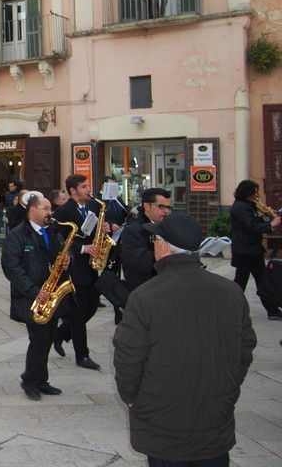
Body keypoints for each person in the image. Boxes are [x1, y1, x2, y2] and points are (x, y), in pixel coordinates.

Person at [113, 213, 256, 466]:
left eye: (155, 238)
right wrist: (227, 389)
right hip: (215, 417)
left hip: (163, 421)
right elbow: (245, 350)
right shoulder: (231, 292)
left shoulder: (144, 296)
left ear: (164, 246)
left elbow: (128, 358)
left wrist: (132, 398)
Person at [1, 193, 67, 400]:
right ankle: (30, 380)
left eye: (50, 209)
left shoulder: (54, 232)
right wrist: (34, 291)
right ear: (32, 210)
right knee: (39, 338)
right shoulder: (17, 234)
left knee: (47, 337)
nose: (50, 212)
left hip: (52, 294)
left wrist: (69, 260)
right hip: (32, 296)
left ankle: (41, 379)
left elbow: (66, 251)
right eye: (45, 209)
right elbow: (11, 267)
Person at [52, 175, 103, 370]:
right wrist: (83, 249)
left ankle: (61, 334)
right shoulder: (64, 211)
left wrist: (103, 228)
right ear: (73, 190)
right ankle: (82, 355)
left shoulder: (90, 207)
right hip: (75, 266)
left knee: (91, 306)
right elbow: (59, 237)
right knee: (79, 311)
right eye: (84, 186)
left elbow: (92, 231)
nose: (88, 189)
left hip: (90, 266)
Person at [229, 180, 282, 320]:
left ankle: (272, 310)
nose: (256, 195)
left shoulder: (248, 205)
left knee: (263, 281)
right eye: (254, 192)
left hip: (253, 250)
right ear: (246, 192)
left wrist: (268, 216)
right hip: (245, 251)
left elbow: (256, 221)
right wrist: (271, 224)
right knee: (240, 282)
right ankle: (230, 308)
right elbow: (250, 227)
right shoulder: (240, 207)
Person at [117, 188, 172, 294]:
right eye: (162, 206)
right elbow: (138, 262)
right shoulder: (133, 230)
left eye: (168, 207)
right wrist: (166, 254)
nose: (166, 211)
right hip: (143, 291)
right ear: (147, 206)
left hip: (163, 287)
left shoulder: (165, 225)